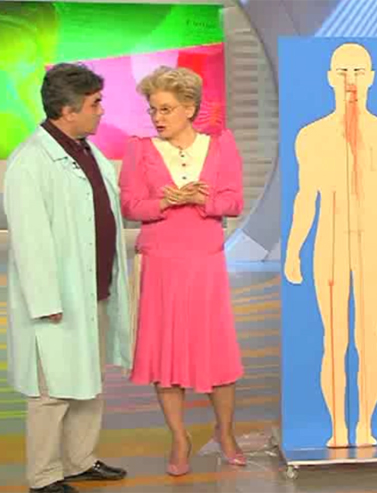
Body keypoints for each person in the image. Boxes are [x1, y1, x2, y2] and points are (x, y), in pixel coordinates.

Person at [4, 63, 131, 493]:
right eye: (95, 103)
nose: (102, 110)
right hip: (57, 299)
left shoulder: (86, 151)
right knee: (51, 391)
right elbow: (29, 240)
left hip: (92, 290)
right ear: (67, 110)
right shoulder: (30, 162)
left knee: (88, 381)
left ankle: (80, 460)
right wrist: (46, 301)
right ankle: (43, 476)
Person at [283, 43, 377, 448]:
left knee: (368, 338)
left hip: (372, 241)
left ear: (371, 77)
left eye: (358, 71)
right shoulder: (311, 137)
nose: (351, 80)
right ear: (330, 77)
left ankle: (365, 426)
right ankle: (339, 427)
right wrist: (294, 248)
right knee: (334, 339)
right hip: (329, 243)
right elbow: (305, 197)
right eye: (343, 71)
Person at [119, 66, 245, 476]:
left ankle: (226, 432)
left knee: (216, 351)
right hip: (161, 262)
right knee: (166, 354)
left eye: (166, 109)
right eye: (153, 109)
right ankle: (179, 438)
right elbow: (130, 206)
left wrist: (203, 200)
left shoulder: (220, 146)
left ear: (189, 108)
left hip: (204, 260)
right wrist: (166, 201)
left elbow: (233, 201)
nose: (157, 118)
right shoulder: (140, 150)